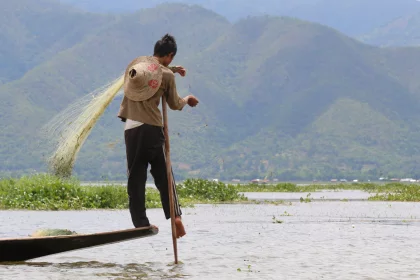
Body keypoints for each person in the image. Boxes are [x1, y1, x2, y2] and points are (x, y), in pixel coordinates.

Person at [117, 34, 199, 238]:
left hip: (131, 130)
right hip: (152, 129)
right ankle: (175, 216)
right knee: (164, 175)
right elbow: (174, 104)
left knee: (136, 177)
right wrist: (187, 99)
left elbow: (155, 71)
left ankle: (140, 223)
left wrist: (172, 69)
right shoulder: (167, 77)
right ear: (170, 55)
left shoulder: (137, 71)